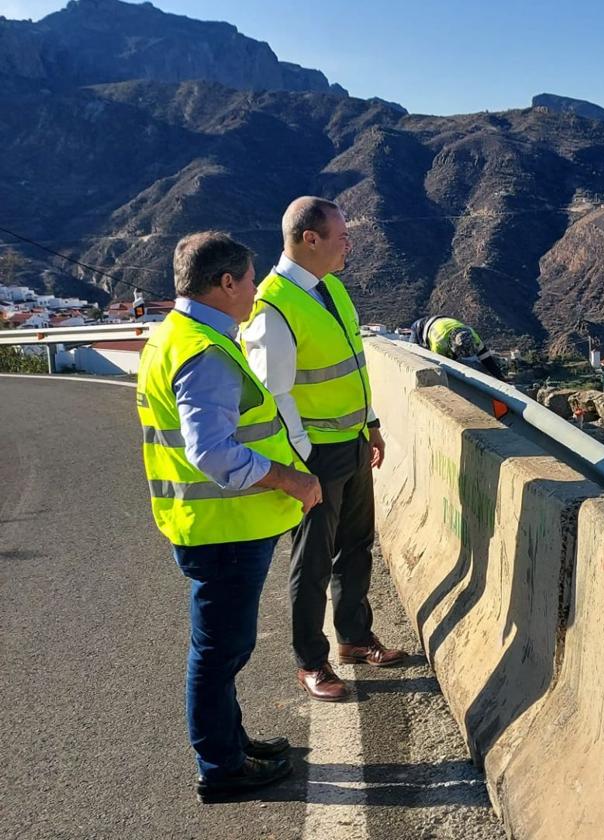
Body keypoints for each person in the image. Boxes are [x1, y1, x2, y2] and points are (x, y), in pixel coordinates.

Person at [136, 231, 322, 802]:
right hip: (225, 532)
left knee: (224, 649)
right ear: (225, 283)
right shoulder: (204, 352)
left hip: (212, 527)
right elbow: (214, 453)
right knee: (219, 652)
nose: (255, 290)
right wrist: (291, 479)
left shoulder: (178, 334)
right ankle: (221, 767)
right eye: (249, 279)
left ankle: (231, 744)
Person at [242, 196, 403, 703]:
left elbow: (352, 362)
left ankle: (354, 637)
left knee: (357, 545)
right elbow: (276, 395)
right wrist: (303, 458)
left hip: (352, 440)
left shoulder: (331, 288)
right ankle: (311, 660)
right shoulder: (272, 306)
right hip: (317, 454)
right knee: (312, 560)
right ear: (308, 239)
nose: (349, 243)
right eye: (341, 235)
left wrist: (371, 423)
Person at [410, 315, 505, 378]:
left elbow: (486, 358)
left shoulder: (473, 336)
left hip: (442, 322)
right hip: (420, 328)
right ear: (452, 345)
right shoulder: (439, 343)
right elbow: (439, 366)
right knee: (415, 362)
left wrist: (500, 377)